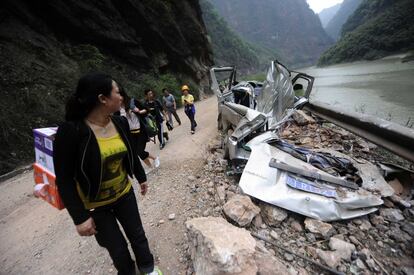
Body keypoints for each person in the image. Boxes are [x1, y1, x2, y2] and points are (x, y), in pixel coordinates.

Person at [53, 73, 162, 275]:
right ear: (103, 99)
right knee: (117, 248)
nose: (121, 97)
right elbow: (65, 179)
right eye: (117, 92)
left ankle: (148, 267)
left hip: (124, 194)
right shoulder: (71, 131)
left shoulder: (119, 122)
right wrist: (79, 218)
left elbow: (129, 152)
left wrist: (141, 177)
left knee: (137, 235)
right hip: (96, 205)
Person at [118, 86, 160, 169]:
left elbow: (146, 110)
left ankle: (155, 158)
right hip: (130, 134)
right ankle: (150, 167)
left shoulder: (132, 102)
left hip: (141, 130)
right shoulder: (117, 108)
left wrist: (139, 111)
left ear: (123, 95)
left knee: (139, 151)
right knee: (137, 152)